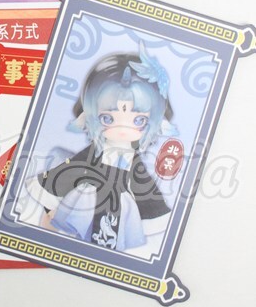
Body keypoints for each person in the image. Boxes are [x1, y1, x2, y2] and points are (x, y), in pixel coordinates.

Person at [26, 43, 177, 252]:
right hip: (87, 198)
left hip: (117, 208)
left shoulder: (131, 159)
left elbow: (143, 186)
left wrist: (155, 211)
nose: (122, 128)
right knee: (72, 230)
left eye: (139, 120)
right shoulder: (96, 152)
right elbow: (74, 169)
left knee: (107, 242)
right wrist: (52, 205)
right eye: (108, 118)